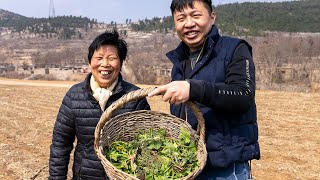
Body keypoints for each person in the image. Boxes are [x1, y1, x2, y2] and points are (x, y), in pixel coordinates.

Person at [148, 0, 260, 179]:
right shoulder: (179, 63)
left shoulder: (235, 49)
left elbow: (243, 96)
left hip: (226, 168)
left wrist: (193, 89)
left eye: (196, 15)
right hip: (189, 165)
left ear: (212, 17)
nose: (189, 23)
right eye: (181, 18)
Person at [49, 29, 150, 179]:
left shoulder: (135, 97)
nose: (105, 64)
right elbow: (60, 144)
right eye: (99, 58)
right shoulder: (74, 96)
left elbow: (146, 145)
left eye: (111, 58)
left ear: (121, 63)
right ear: (90, 62)